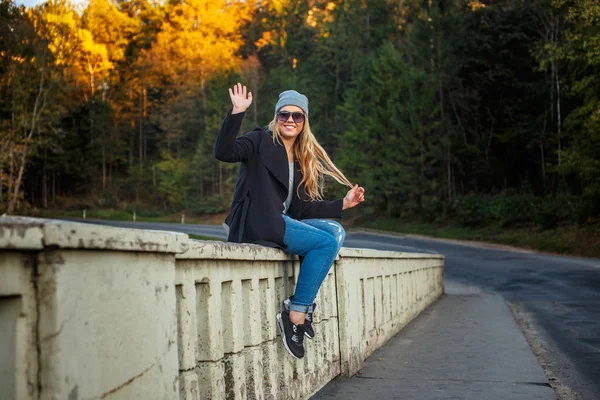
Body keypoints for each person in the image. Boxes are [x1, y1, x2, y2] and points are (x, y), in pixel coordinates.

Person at [214, 83, 365, 359]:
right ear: (276, 117)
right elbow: (224, 152)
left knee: (335, 231)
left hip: (282, 221)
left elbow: (304, 208)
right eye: (284, 115)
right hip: (258, 221)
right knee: (323, 243)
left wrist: (343, 204)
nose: (290, 121)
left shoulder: (300, 157)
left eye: (297, 116)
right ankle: (296, 314)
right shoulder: (260, 140)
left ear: (304, 121)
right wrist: (237, 112)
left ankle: (300, 301)